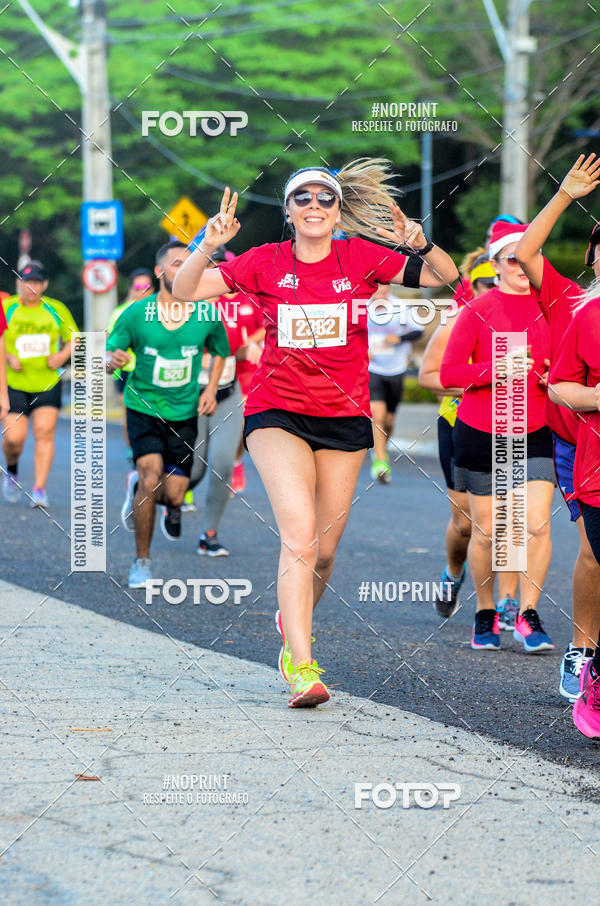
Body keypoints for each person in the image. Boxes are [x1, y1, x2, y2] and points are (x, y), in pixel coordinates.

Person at [173, 159, 459, 707]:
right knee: (299, 536)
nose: (313, 206)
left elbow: (445, 277)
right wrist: (207, 243)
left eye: (323, 198)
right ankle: (301, 666)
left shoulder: (361, 258)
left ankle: (293, 617)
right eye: (301, 198)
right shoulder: (265, 262)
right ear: (288, 211)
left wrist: (421, 244)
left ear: (336, 210)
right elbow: (187, 291)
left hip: (345, 417)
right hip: (276, 412)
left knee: (324, 553)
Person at [440, 221, 556, 653]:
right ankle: (485, 612)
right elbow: (449, 374)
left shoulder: (555, 307)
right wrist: (493, 371)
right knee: (488, 532)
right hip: (480, 430)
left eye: (530, 255)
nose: (522, 264)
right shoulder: (478, 309)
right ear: (495, 264)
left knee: (536, 525)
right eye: (513, 257)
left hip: (537, 428)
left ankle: (527, 615)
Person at [515, 153, 600, 701]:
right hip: (572, 443)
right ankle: (583, 649)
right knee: (592, 553)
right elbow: (525, 251)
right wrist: (566, 194)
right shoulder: (573, 300)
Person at [106, 241, 230, 588]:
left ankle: (167, 504)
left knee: (175, 492)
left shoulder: (206, 314)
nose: (185, 270)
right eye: (177, 263)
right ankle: (141, 563)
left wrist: (209, 389)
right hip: (143, 406)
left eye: (191, 264)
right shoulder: (137, 313)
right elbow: (110, 350)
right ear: (161, 271)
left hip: (185, 410)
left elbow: (221, 351)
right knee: (150, 477)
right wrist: (109, 360)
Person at [419, 252, 519, 623]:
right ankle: (454, 572)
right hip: (461, 426)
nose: (492, 290)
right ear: (473, 286)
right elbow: (430, 379)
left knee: (512, 517)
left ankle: (506, 605)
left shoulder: (523, 318)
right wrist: (484, 376)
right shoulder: (460, 320)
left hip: (512, 425)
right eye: (485, 284)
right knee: (465, 524)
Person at [2, 261, 77, 507]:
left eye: (36, 282)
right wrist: (7, 357)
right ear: (18, 284)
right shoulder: (7, 308)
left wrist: (62, 356)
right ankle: (12, 471)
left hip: (47, 383)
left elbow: (74, 339)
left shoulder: (56, 309)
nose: (31, 287)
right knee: (14, 439)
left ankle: (40, 489)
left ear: (44, 284)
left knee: (44, 433)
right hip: (15, 384)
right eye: (26, 282)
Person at [367, 283, 424, 483]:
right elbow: (349, 334)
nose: (380, 295)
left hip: (396, 369)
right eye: (376, 291)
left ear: (389, 290)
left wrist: (399, 338)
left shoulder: (400, 307)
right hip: (373, 370)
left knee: (389, 421)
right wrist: (362, 350)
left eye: (384, 291)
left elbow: (419, 332)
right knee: (377, 416)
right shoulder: (362, 307)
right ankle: (380, 462)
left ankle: (380, 448)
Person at [106, 268, 156, 459]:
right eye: (138, 286)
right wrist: (114, 358)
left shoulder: (162, 310)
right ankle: (132, 448)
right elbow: (110, 344)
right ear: (131, 289)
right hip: (126, 371)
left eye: (146, 286)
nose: (142, 290)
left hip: (152, 370)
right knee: (130, 412)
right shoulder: (120, 312)